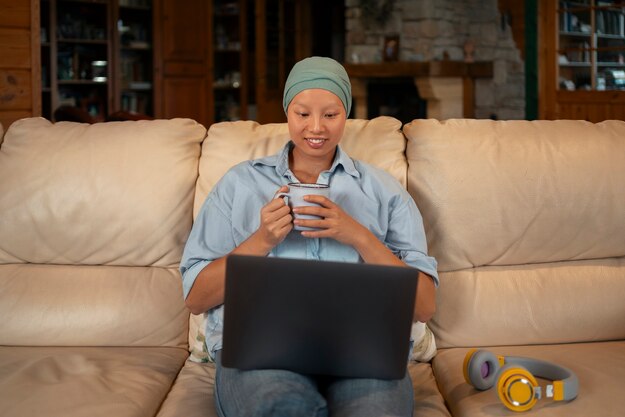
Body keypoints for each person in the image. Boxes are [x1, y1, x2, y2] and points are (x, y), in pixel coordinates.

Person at [180, 56, 439, 417]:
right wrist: (262, 241)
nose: (315, 127)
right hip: (260, 353)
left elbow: (425, 305)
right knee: (281, 408)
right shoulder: (239, 184)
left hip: (361, 350)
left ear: (345, 114)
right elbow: (195, 298)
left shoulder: (383, 191)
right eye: (303, 114)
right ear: (287, 112)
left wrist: (359, 236)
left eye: (330, 115)